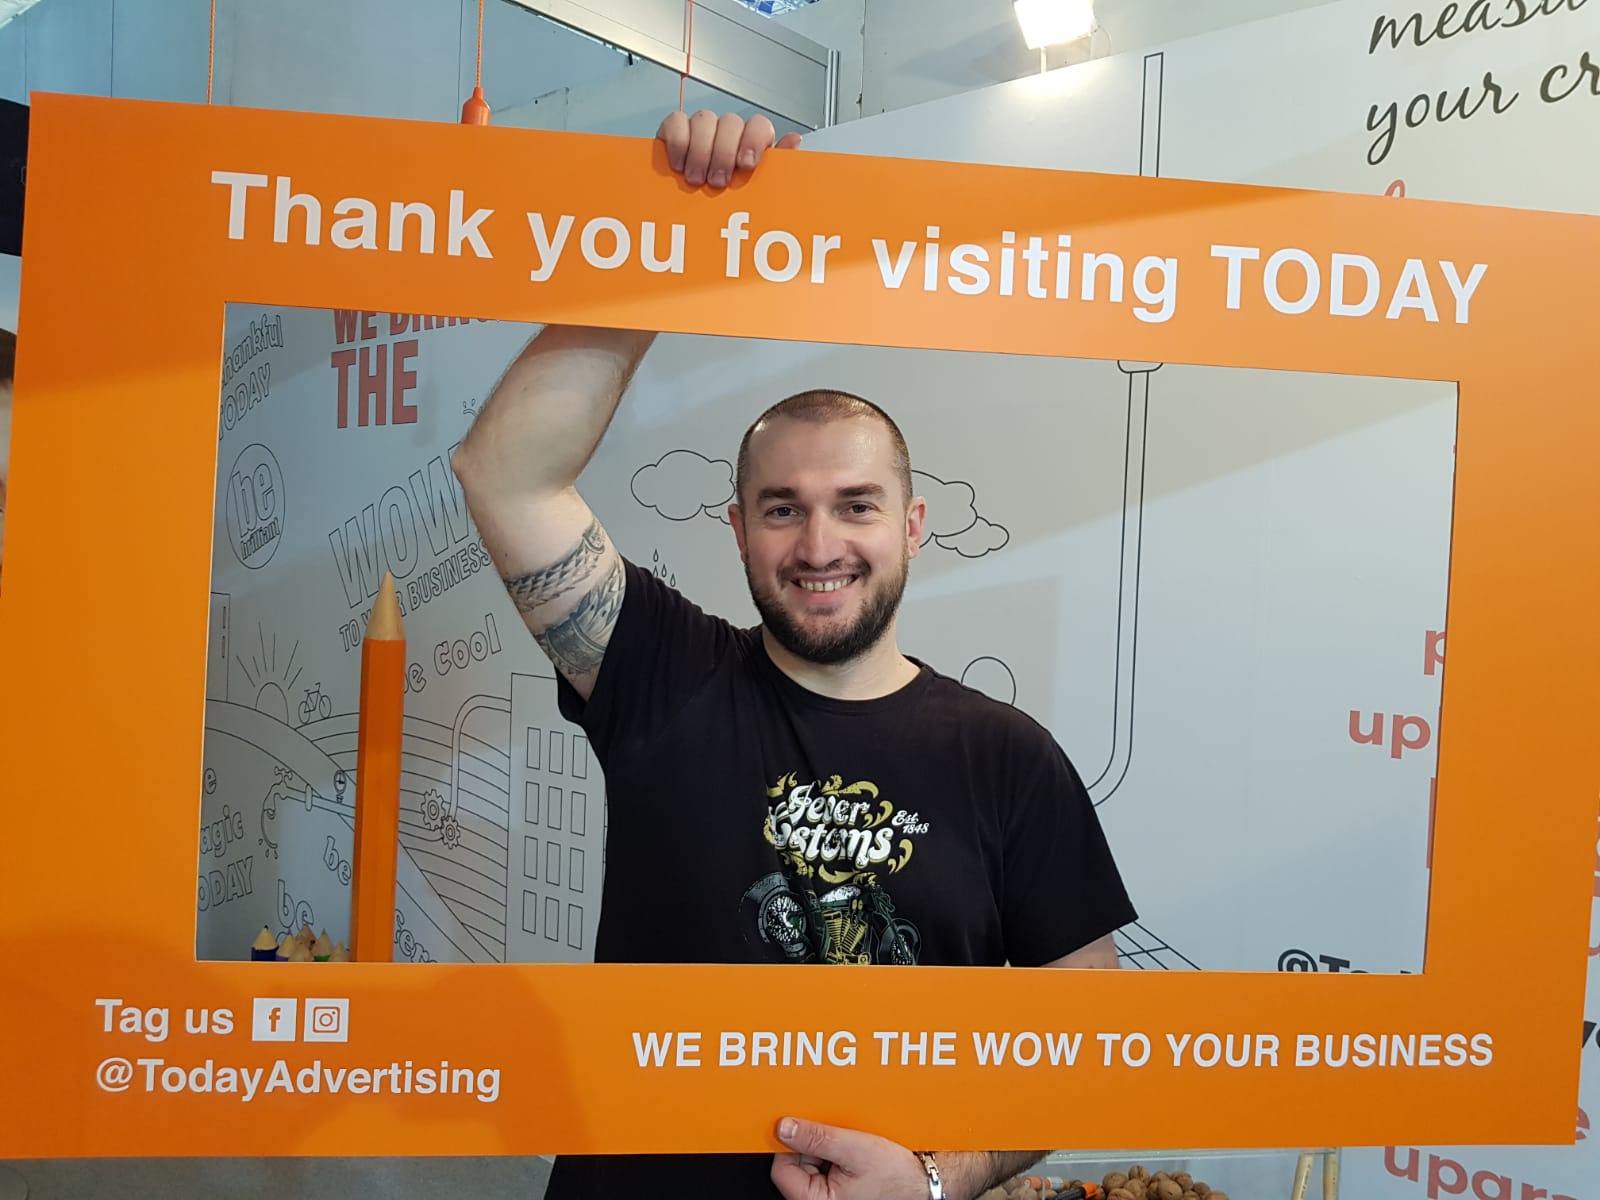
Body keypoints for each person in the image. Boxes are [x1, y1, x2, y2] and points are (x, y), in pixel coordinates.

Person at [452, 111, 1136, 1200]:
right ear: (739, 529)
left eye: (856, 505)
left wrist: (937, 1179)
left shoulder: (1009, 759)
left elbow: (1090, 1035)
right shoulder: (663, 678)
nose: (819, 545)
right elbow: (505, 473)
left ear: (911, 527)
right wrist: (667, 231)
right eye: (783, 508)